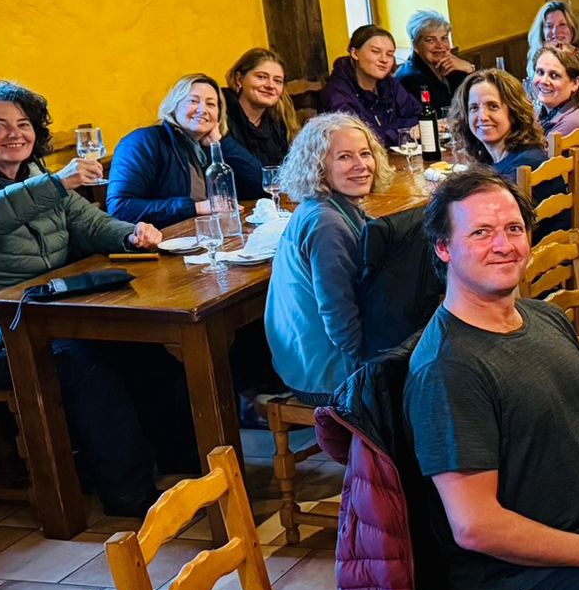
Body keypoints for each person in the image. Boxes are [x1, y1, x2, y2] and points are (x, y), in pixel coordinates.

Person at [0, 81, 184, 517]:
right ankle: (130, 496)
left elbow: (87, 222)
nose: (15, 134)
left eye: (23, 124)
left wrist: (131, 232)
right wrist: (57, 182)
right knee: (80, 359)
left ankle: (183, 466)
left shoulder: (33, 174)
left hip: (23, 314)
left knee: (142, 344)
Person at [407, 169, 579, 590]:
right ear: (444, 248)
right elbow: (477, 528)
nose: (503, 245)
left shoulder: (545, 318)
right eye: (481, 232)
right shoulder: (448, 368)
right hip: (522, 580)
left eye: (514, 229)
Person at [264, 112, 393, 404]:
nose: (361, 166)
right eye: (345, 157)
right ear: (319, 166)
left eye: (365, 153)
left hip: (307, 363)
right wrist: (382, 365)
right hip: (325, 375)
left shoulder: (332, 207)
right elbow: (341, 321)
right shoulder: (326, 222)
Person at [107, 73, 264, 227]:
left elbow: (261, 185)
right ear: (174, 106)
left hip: (207, 233)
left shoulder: (208, 146)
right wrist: (195, 208)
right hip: (160, 243)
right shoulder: (143, 141)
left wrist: (222, 142)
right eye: (193, 101)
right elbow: (121, 208)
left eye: (211, 104)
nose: (203, 110)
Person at [320, 23, 419, 146]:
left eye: (389, 54)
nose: (384, 59)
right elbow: (360, 139)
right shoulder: (337, 92)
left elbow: (418, 115)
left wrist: (392, 131)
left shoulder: (390, 84)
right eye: (376, 51)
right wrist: (406, 133)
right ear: (355, 53)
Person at [447, 68, 549, 184]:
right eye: (474, 108)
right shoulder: (494, 162)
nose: (482, 117)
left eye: (493, 106)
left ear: (514, 112)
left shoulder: (522, 166)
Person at [223, 47, 297, 169]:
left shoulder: (279, 121)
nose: (270, 86)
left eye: (278, 81)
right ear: (239, 79)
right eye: (261, 77)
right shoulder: (221, 118)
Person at [397, 9, 471, 117]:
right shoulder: (410, 78)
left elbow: (476, 102)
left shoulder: (454, 66)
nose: (440, 46)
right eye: (430, 40)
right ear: (416, 46)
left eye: (444, 39)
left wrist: (469, 70)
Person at [528, 36, 579, 141]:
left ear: (575, 83)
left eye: (554, 75)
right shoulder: (546, 113)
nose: (543, 81)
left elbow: (537, 157)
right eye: (540, 72)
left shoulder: (574, 122)